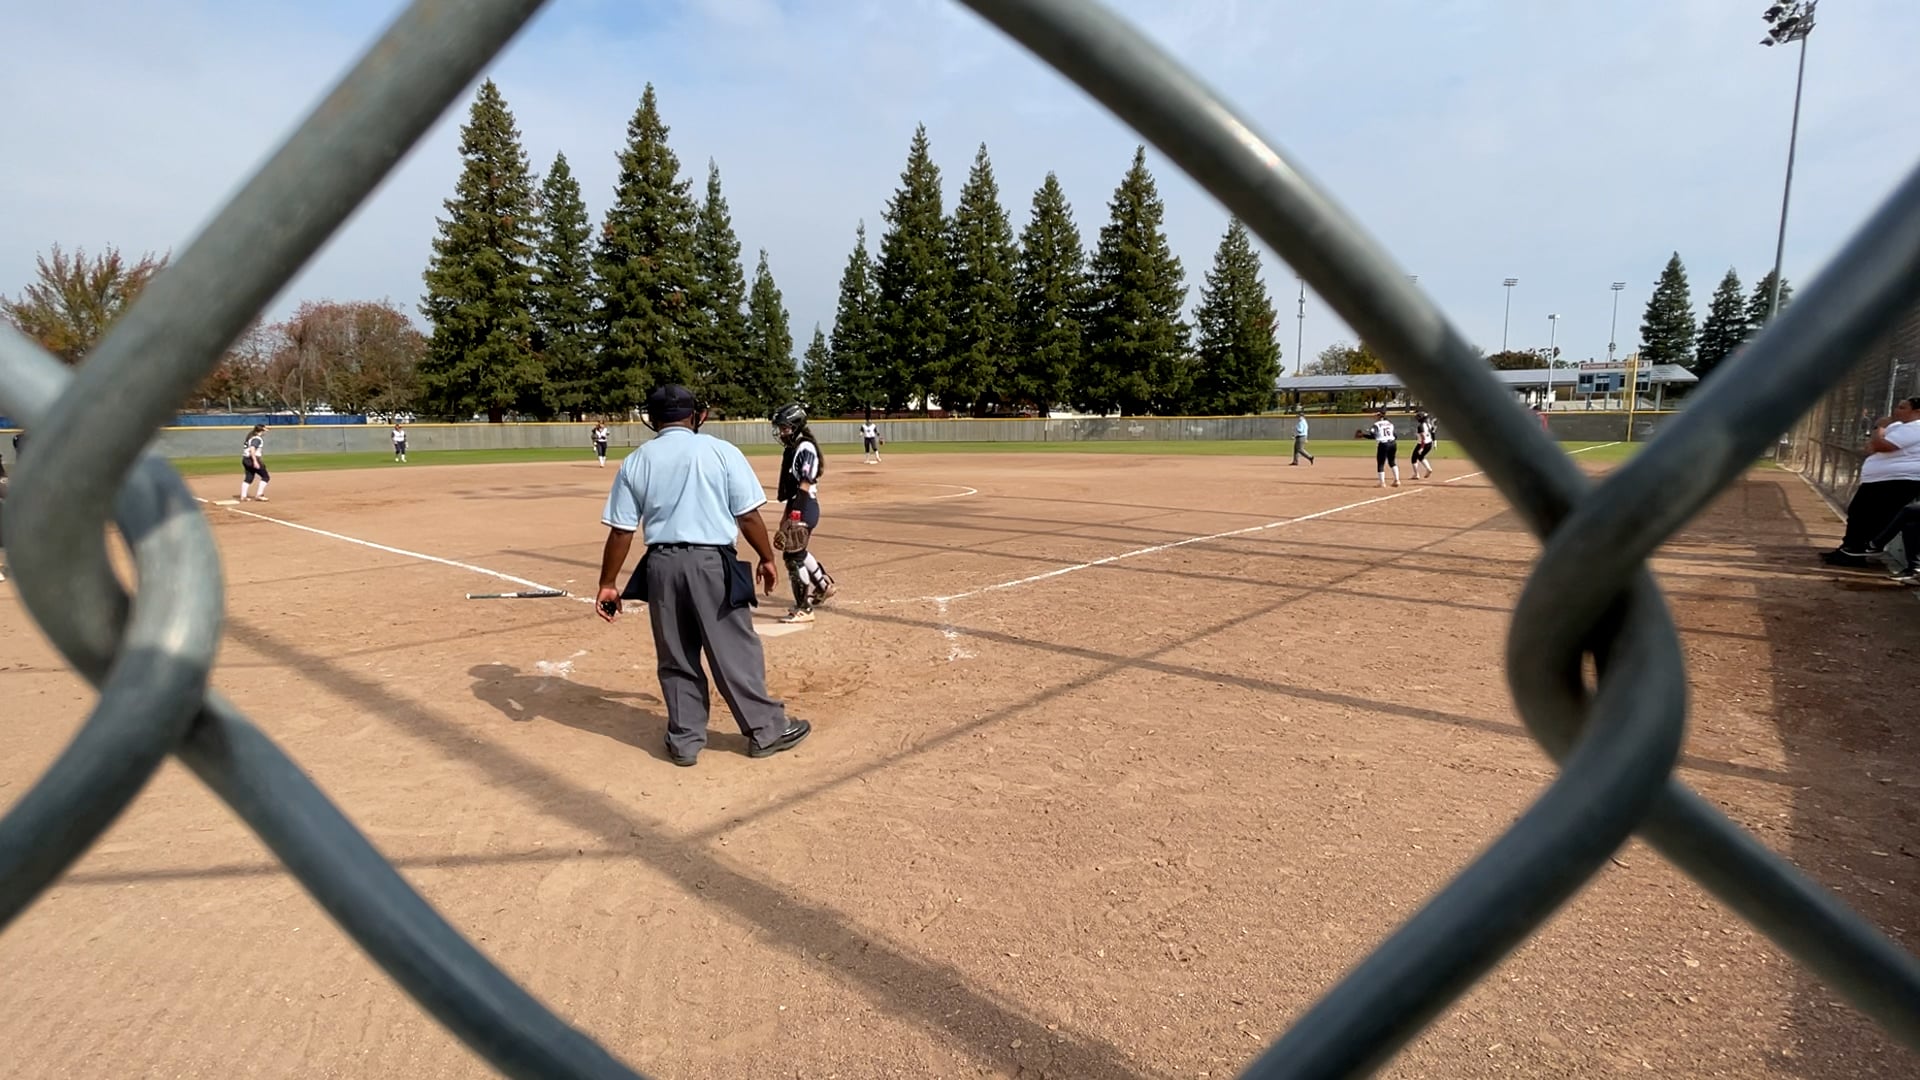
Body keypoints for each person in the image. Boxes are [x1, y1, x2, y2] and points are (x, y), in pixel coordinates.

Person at [594, 384, 811, 766]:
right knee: (734, 649)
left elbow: (622, 531)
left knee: (676, 654)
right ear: (697, 415)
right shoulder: (720, 451)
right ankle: (766, 729)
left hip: (661, 566)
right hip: (711, 563)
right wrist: (766, 557)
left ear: (652, 419)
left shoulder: (636, 461)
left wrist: (608, 583)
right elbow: (747, 516)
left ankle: (684, 739)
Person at [1825, 396, 1920, 566]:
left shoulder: (1916, 427)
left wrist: (1880, 428)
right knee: (1857, 512)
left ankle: (1855, 553)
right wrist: (1879, 433)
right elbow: (1871, 446)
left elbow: (1882, 446)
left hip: (1898, 480)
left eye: (1903, 407)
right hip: (1880, 479)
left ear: (1917, 411)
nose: (1896, 410)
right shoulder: (1899, 426)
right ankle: (1848, 549)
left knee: (1870, 517)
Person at [774, 403, 836, 623]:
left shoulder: (805, 447)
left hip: (805, 505)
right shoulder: (794, 448)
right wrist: (785, 519)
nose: (782, 433)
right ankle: (823, 585)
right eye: (780, 428)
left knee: (792, 556)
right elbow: (792, 492)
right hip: (799, 504)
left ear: (797, 426)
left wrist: (795, 515)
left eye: (785, 428)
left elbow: (804, 484)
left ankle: (804, 609)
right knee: (797, 551)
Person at [1369, 409, 1399, 487]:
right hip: (1393, 443)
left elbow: (1372, 435)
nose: (1375, 417)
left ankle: (1382, 483)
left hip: (1383, 444)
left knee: (1381, 463)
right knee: (1392, 462)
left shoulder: (1376, 424)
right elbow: (1395, 436)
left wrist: (1363, 435)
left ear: (1379, 416)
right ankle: (1397, 480)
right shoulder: (1390, 423)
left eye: (1376, 415)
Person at [240, 424, 270, 501]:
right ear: (261, 430)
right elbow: (252, 449)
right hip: (252, 459)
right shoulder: (257, 439)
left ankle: (243, 496)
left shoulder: (251, 437)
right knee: (265, 477)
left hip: (245, 459)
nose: (266, 431)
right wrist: (255, 461)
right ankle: (259, 495)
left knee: (249, 477)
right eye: (265, 429)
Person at [1409, 410, 1436, 479]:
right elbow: (1433, 433)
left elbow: (1423, 438)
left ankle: (1416, 474)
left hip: (1422, 444)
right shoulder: (1428, 424)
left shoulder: (1420, 426)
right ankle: (1428, 469)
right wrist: (1435, 443)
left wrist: (1421, 448)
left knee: (1414, 458)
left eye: (1418, 417)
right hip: (1429, 443)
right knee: (1421, 457)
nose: (1417, 418)